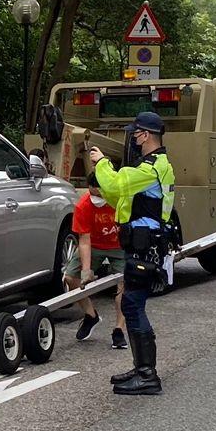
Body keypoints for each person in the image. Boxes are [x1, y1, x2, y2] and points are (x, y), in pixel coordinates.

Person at [86, 110, 174, 397]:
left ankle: (147, 374)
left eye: (135, 134)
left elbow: (116, 184)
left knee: (133, 305)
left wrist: (102, 163)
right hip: (141, 245)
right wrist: (106, 181)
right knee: (131, 304)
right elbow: (120, 196)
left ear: (146, 135)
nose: (133, 139)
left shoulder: (151, 168)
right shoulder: (151, 166)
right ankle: (141, 369)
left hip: (145, 246)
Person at [66, 177, 126, 348]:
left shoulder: (121, 199)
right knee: (71, 278)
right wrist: (86, 271)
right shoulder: (83, 206)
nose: (96, 200)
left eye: (99, 195)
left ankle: (119, 329)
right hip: (94, 245)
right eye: (93, 195)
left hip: (120, 245)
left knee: (124, 285)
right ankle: (91, 315)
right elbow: (84, 240)